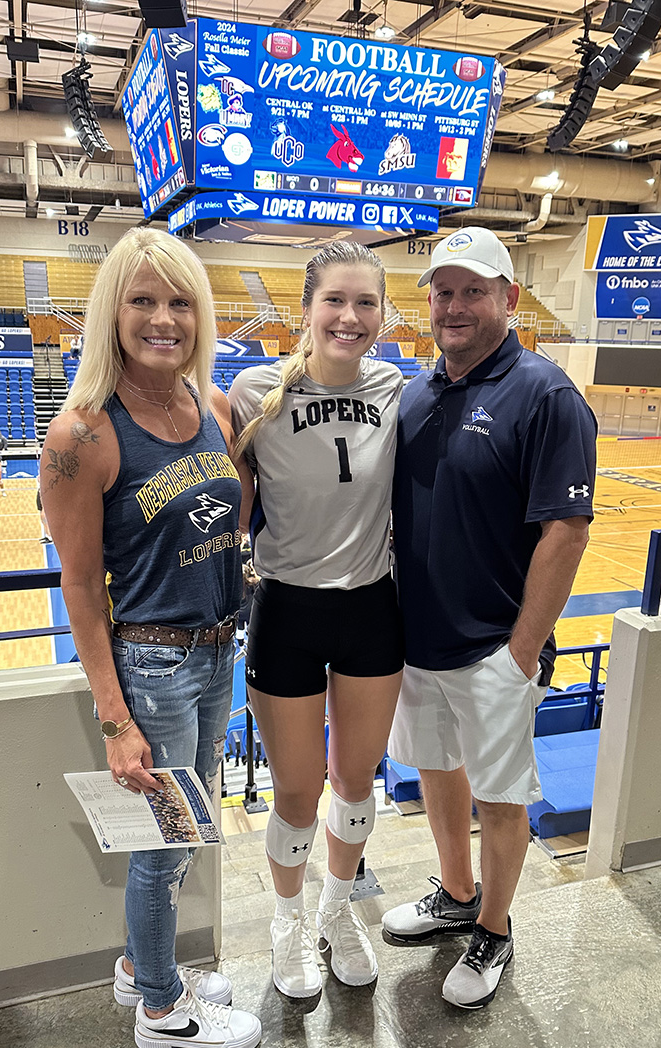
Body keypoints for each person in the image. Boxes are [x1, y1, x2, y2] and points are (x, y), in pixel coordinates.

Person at [40, 227, 261, 1048]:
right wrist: (115, 720)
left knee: (188, 829)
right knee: (164, 841)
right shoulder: (81, 436)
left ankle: (144, 964)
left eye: (179, 302)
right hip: (152, 663)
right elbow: (80, 592)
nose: (162, 318)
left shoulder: (212, 407)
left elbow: (231, 519)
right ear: (112, 312)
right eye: (142, 300)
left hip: (214, 655)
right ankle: (163, 1013)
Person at [381, 228, 597, 1010]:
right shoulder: (415, 394)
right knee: (437, 772)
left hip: (494, 649)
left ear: (510, 299)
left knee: (501, 799)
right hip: (420, 640)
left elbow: (566, 533)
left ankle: (495, 931)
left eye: (474, 290)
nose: (455, 305)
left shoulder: (546, 395)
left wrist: (521, 651)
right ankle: (456, 892)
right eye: (443, 291)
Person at [228, 242, 404, 999]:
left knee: (356, 782)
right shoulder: (251, 390)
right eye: (335, 299)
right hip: (287, 607)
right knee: (298, 792)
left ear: (383, 315)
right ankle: (288, 922)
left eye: (366, 302)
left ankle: (338, 914)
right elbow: (226, 502)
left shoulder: (399, 385)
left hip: (371, 608)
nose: (350, 316)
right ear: (305, 310)